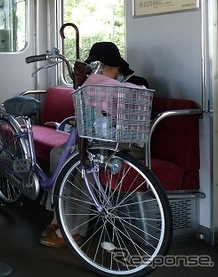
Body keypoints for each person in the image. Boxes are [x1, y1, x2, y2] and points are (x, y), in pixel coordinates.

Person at [40, 41, 148, 247]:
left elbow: (137, 119)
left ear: (114, 65)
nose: (99, 71)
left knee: (81, 161)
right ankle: (58, 216)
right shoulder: (95, 85)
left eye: (102, 67)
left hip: (124, 142)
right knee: (59, 153)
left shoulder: (138, 83)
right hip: (98, 137)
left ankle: (74, 229)